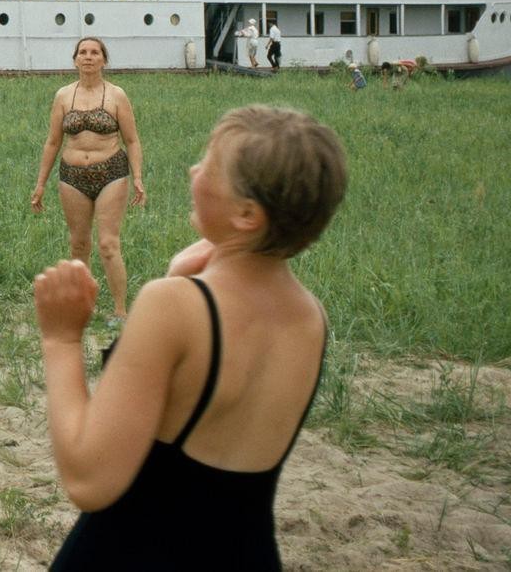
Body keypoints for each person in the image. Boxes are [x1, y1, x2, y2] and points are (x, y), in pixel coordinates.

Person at [36, 105, 346, 569]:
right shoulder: (310, 317)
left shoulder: (176, 306)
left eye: (209, 165)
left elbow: (88, 480)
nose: (193, 170)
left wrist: (60, 339)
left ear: (246, 214)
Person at [31, 38, 148, 321]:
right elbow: (52, 142)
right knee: (79, 244)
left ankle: (120, 310)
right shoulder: (63, 96)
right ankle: (82, 306)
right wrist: (40, 184)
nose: (88, 57)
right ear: (75, 60)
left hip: (111, 173)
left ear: (103, 60)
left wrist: (138, 177)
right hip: (72, 177)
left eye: (95, 53)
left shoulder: (117, 95)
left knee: (108, 244)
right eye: (82, 52)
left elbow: (132, 141)